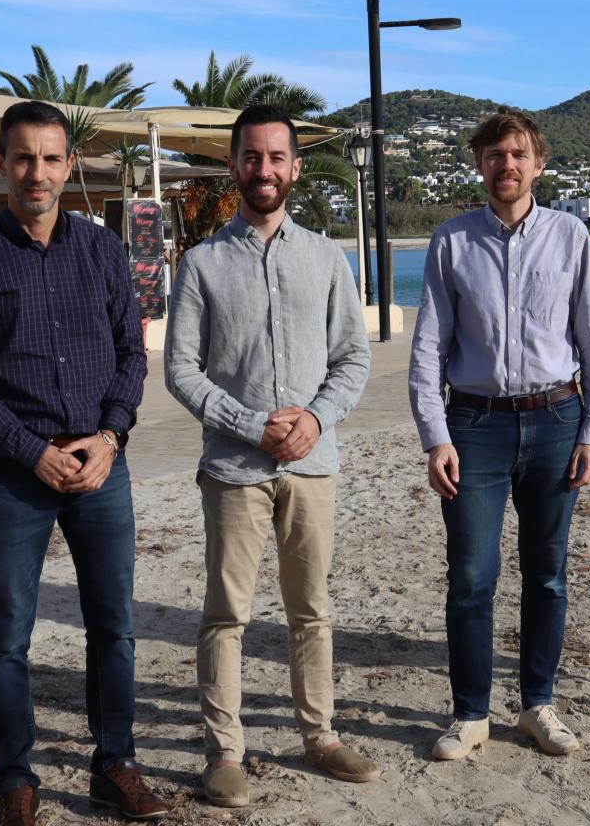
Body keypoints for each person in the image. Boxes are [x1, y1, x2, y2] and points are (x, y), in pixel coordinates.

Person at [0, 100, 165, 824]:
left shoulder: (100, 251)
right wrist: (29, 451)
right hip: (14, 475)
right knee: (7, 634)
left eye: (51, 158)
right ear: (1, 164)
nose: (38, 172)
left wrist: (112, 437)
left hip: (101, 467)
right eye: (24, 157)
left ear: (70, 167)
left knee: (114, 625)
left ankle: (115, 764)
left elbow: (132, 351)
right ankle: (16, 779)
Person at [165, 104, 376, 808]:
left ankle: (320, 734)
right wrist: (252, 426)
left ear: (293, 166)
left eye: (276, 158)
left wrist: (315, 420)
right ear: (234, 166)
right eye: (251, 157)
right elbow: (182, 370)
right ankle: (225, 751)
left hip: (314, 466)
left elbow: (351, 358)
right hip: (234, 469)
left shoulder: (325, 257)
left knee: (310, 609)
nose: (264, 170)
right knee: (227, 613)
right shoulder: (200, 264)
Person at [408, 106, 590, 761]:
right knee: (471, 576)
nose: (508, 165)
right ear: (480, 164)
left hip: (556, 423)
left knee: (547, 575)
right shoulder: (451, 241)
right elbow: (428, 348)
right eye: (496, 155)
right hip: (474, 427)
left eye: (519, 154)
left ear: (538, 164)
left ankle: (536, 706)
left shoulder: (570, 236)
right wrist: (435, 436)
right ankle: (469, 715)